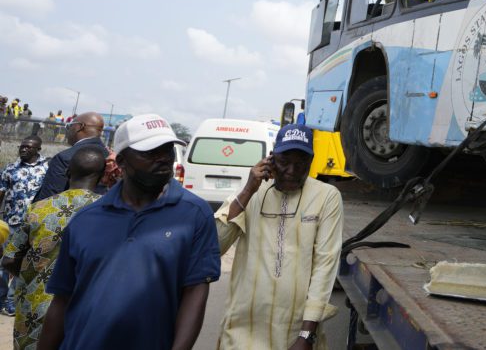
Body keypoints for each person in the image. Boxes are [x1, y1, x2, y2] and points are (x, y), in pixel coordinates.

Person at [38, 114, 220, 350]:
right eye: (150, 152)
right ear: (122, 161)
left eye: (167, 150)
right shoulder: (86, 219)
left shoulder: (194, 214)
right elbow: (62, 300)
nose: (163, 159)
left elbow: (195, 290)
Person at [215, 124, 343, 350]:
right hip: (242, 331)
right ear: (271, 158)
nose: (292, 170)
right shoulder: (253, 192)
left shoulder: (326, 197)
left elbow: (325, 264)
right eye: (284, 161)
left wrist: (306, 335)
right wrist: (247, 191)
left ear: (311, 161)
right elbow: (215, 245)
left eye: (301, 163)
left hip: (294, 333)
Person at [2, 146, 106, 350]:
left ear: (67, 172)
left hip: (35, 310)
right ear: (102, 177)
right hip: (85, 311)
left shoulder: (39, 209)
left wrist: (32, 277)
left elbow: (9, 260)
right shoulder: (109, 213)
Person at [0, 136, 48, 316]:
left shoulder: (47, 169)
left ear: (38, 149)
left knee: (22, 264)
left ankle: (11, 301)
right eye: (22, 146)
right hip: (10, 223)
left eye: (29, 147)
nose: (24, 149)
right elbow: (1, 193)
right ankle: (1, 298)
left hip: (33, 224)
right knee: (3, 262)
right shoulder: (10, 169)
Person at [34, 112, 107, 201]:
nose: (67, 130)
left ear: (79, 127)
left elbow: (48, 199)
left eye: (69, 126)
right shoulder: (111, 157)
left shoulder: (64, 157)